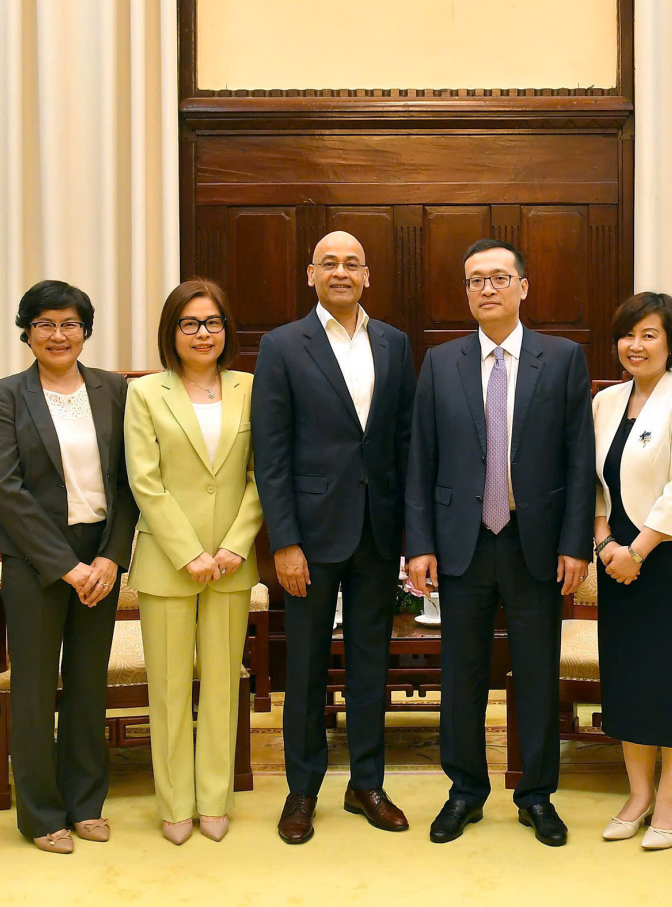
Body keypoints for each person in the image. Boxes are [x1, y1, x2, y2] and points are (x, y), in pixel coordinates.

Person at [405, 238, 595, 847]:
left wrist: (575, 544)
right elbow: (420, 458)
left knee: (537, 672)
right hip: (460, 543)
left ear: (523, 287)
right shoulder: (441, 362)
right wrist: (419, 544)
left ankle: (536, 795)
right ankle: (464, 790)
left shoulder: (562, 358)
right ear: (466, 292)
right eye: (475, 280)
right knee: (460, 673)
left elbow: (579, 458)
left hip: (534, 541)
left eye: (498, 277)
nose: (486, 288)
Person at [252, 231, 417, 844]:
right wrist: (284, 542)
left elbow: (405, 441)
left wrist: (411, 534)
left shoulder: (394, 343)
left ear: (367, 275)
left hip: (377, 531)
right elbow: (270, 453)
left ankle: (366, 784)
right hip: (310, 537)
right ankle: (302, 790)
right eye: (330, 263)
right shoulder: (282, 345)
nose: (341, 272)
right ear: (310, 274)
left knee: (371, 663)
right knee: (306, 666)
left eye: (352, 263)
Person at [0, 280, 138, 854]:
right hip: (34, 558)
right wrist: (67, 567)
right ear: (27, 332)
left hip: (101, 555)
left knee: (88, 684)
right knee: (33, 687)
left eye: (69, 323)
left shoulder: (114, 390)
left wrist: (111, 557)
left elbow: (129, 481)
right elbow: (6, 488)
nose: (58, 335)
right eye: (45, 324)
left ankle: (86, 803)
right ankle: (41, 813)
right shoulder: (5, 395)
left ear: (85, 331)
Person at [124, 279, 263, 845]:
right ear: (172, 331)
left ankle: (214, 797)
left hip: (231, 562)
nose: (202, 334)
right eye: (190, 324)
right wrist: (189, 553)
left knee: (224, 685)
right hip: (168, 562)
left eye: (212, 323)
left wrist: (234, 544)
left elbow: (261, 474)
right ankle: (175, 802)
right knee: (170, 688)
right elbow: (144, 481)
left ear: (226, 329)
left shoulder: (250, 387)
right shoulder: (145, 392)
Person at [590, 293, 672, 850]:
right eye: (628, 334)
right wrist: (604, 541)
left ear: (671, 345)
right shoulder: (605, 401)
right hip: (616, 558)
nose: (635, 345)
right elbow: (595, 482)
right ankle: (638, 793)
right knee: (628, 678)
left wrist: (636, 551)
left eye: (649, 335)